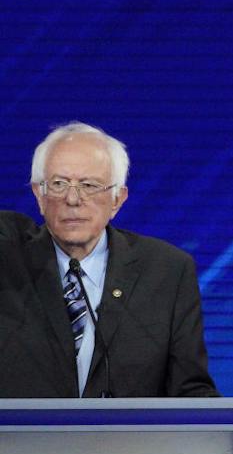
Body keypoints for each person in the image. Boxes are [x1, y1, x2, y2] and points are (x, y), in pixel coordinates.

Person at [0, 122, 218, 399]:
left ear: (117, 199)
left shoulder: (168, 272)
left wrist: (218, 433)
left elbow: (189, 389)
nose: (73, 198)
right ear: (39, 195)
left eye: (90, 185)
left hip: (129, 443)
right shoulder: (8, 258)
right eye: (58, 184)